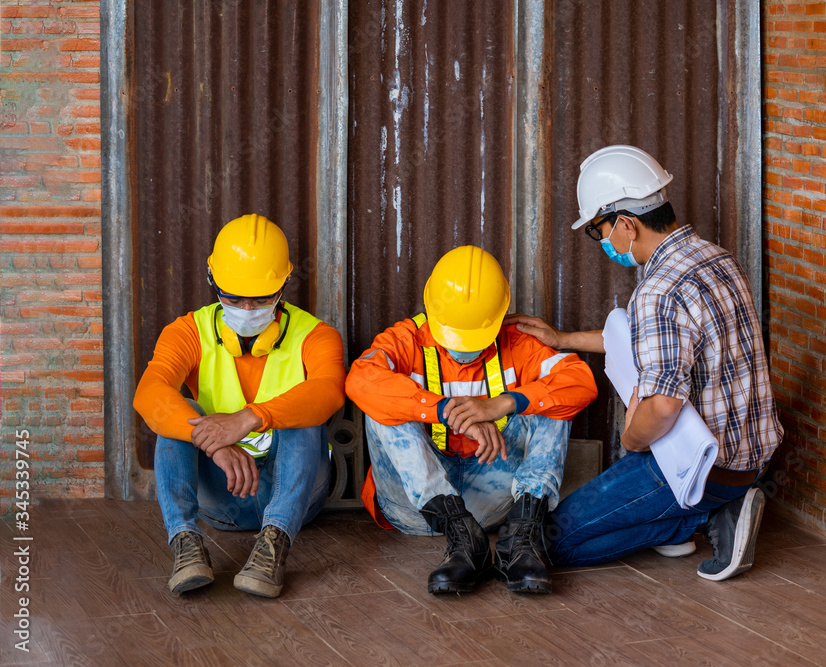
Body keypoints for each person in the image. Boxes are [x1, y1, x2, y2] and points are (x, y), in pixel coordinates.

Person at [507, 145, 783, 581]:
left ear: (626, 225)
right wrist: (562, 339)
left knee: (547, 540)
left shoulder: (658, 291)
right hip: (751, 459)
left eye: (598, 231)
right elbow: (647, 340)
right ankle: (712, 509)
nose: (602, 243)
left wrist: (632, 440)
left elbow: (662, 408)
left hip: (700, 468)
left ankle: (701, 518)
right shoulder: (715, 258)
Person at [346, 245, 597, 594]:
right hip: (416, 507)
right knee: (383, 406)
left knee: (553, 402)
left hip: (494, 503)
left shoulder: (518, 342)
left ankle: (520, 540)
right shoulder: (405, 339)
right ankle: (460, 534)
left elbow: (581, 381)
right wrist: (447, 410)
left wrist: (502, 404)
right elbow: (360, 379)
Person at [133, 214, 346, 598]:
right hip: (225, 500)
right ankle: (185, 542)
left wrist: (251, 417)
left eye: (261, 298)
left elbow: (330, 391)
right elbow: (148, 393)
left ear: (284, 282)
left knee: (304, 415)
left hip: (300, 497)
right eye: (233, 297)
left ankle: (274, 545)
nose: (247, 308)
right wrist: (214, 442)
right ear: (213, 281)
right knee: (177, 411)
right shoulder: (186, 332)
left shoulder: (317, 335)